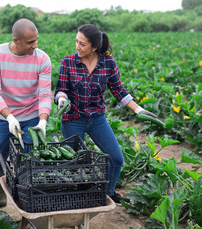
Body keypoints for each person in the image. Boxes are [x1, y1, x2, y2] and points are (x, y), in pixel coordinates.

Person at [54, 24, 158, 204]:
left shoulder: (108, 63)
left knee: (116, 158)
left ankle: (108, 193)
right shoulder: (68, 61)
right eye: (76, 42)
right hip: (73, 119)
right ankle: (80, 197)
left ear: (94, 46)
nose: (77, 47)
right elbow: (60, 89)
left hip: (97, 119)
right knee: (77, 164)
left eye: (82, 44)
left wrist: (139, 109)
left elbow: (119, 91)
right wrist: (62, 99)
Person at [0, 18, 52, 208]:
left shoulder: (42, 59)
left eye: (36, 40)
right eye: (30, 42)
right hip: (4, 117)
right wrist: (9, 117)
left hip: (32, 115)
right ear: (16, 40)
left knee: (29, 158)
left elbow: (44, 94)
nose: (35, 46)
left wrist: (42, 121)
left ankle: (29, 199)